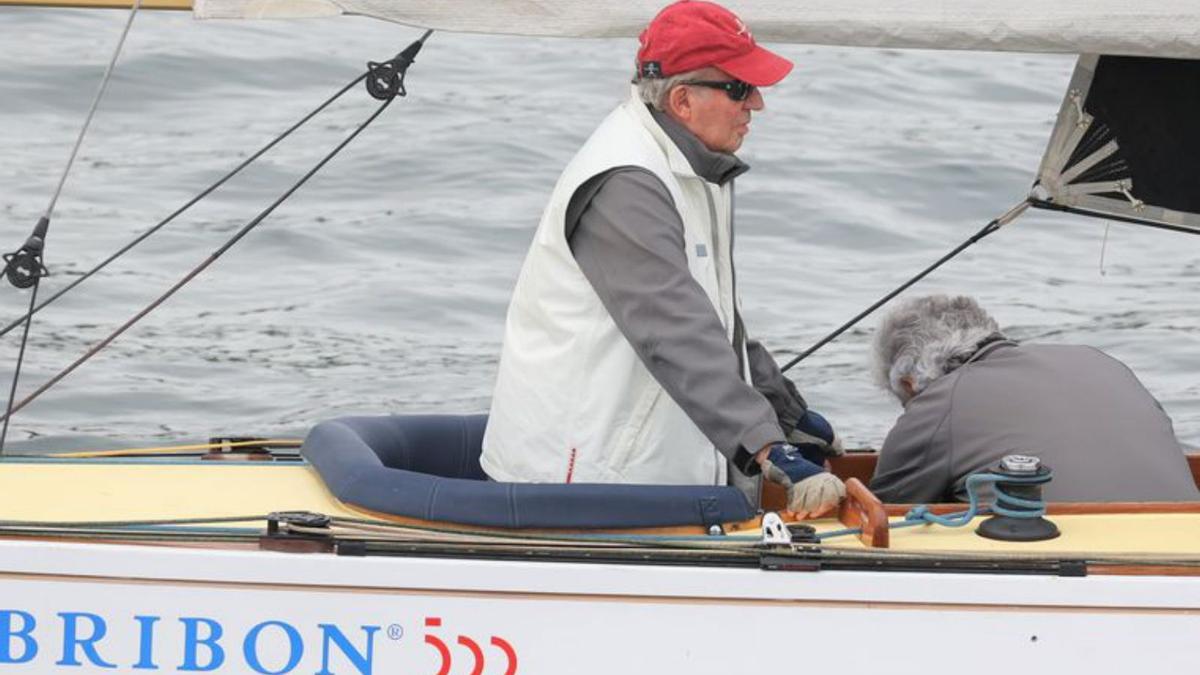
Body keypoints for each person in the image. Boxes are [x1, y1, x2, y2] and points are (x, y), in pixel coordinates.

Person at [481, 0, 845, 517]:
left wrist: (785, 412)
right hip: (579, 488)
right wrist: (767, 447)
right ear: (681, 100)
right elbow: (676, 331)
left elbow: (715, 320)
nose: (757, 104)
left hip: (633, 476)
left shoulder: (694, 165)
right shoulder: (627, 181)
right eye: (739, 88)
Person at [869, 294, 1200, 503]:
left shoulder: (941, 399)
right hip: (1183, 544)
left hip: (1077, 568)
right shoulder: (1099, 361)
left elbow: (885, 507)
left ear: (909, 383)